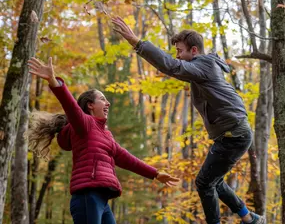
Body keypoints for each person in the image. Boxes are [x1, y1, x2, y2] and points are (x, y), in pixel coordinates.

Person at [111, 16, 265, 224]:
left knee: (203, 183)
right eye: (176, 52)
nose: (178, 56)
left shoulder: (205, 65)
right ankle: (250, 218)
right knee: (214, 181)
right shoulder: (204, 68)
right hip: (231, 133)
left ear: (194, 50)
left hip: (234, 134)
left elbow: (172, 67)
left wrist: (138, 43)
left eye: (180, 51)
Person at [27, 57, 179, 224]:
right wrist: (53, 81)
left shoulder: (106, 135)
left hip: (101, 200)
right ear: (90, 105)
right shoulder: (85, 124)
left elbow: (128, 159)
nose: (108, 103)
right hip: (87, 196)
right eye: (102, 99)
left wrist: (155, 173)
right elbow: (70, 105)